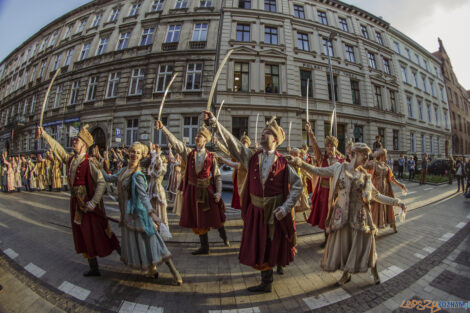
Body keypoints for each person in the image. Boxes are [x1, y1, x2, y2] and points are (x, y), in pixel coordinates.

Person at [206, 112, 301, 293]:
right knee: (260, 244)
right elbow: (233, 144)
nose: (262, 135)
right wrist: (214, 123)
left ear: (275, 139)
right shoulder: (251, 157)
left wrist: (285, 208)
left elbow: (298, 186)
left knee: (272, 244)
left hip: (275, 211)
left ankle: (268, 281)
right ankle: (266, 280)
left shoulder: (283, 162)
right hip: (256, 210)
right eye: (263, 132)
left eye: (267, 133)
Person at [286, 143, 407, 286]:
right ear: (355, 153)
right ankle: (346, 274)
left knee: (366, 245)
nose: (366, 158)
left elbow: (377, 195)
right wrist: (299, 162)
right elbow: (318, 171)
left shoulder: (364, 176)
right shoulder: (338, 168)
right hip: (342, 216)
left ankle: (374, 270)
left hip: (361, 217)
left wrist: (397, 202)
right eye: (364, 154)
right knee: (347, 247)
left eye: (367, 155)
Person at [38, 124, 120, 276]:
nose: (73, 141)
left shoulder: (90, 162)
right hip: (76, 204)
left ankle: (122, 253)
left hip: (88, 204)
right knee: (83, 234)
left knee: (99, 232)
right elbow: (59, 149)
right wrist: (44, 135)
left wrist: (93, 203)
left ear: (84, 144)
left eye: (76, 140)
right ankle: (94, 268)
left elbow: (102, 182)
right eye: (74, 139)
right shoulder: (71, 159)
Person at [101, 142, 182, 285]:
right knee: (141, 244)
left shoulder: (137, 175)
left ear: (141, 156)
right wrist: (98, 167)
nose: (134, 155)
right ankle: (152, 269)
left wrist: (153, 214)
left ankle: (175, 273)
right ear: (129, 153)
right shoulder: (125, 170)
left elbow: (144, 197)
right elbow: (109, 179)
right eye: (133, 152)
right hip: (128, 214)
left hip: (140, 215)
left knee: (154, 242)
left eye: (138, 153)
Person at [155, 120, 229, 255]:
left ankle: (223, 236)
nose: (196, 138)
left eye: (199, 136)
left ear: (205, 140)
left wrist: (218, 193)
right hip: (193, 192)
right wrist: (164, 129)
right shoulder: (189, 153)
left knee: (216, 216)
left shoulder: (211, 157)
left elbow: (217, 176)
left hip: (207, 191)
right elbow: (176, 143)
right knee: (199, 218)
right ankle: (204, 247)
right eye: (196, 136)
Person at [305, 122, 344, 247]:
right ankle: (327, 238)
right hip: (324, 191)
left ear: (335, 147)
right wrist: (310, 132)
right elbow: (315, 147)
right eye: (328, 146)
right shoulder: (322, 159)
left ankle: (336, 237)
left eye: (332, 146)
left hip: (337, 193)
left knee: (336, 214)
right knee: (325, 214)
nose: (330, 148)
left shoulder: (341, 160)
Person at [366, 149, 407, 233]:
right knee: (375, 208)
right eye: (385, 155)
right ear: (381, 156)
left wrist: (401, 185)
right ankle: (374, 228)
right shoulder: (374, 164)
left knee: (388, 206)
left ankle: (393, 225)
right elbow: (366, 171)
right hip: (376, 189)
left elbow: (392, 178)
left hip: (386, 189)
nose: (386, 156)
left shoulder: (386, 166)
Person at [147, 143, 169, 232]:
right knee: (152, 207)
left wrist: (157, 153)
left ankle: (161, 227)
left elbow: (157, 171)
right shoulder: (154, 164)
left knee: (160, 208)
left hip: (158, 189)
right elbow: (153, 164)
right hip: (152, 188)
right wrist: (153, 151)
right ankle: (153, 227)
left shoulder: (162, 168)